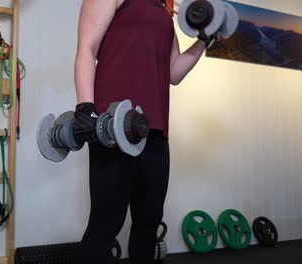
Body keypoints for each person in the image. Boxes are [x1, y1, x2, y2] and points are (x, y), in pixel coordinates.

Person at [72, 0, 212, 263]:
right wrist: (85, 108)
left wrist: (205, 39)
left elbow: (174, 71)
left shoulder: (162, 8)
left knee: (148, 224)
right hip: (113, 126)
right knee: (106, 223)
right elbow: (87, 49)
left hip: (154, 129)